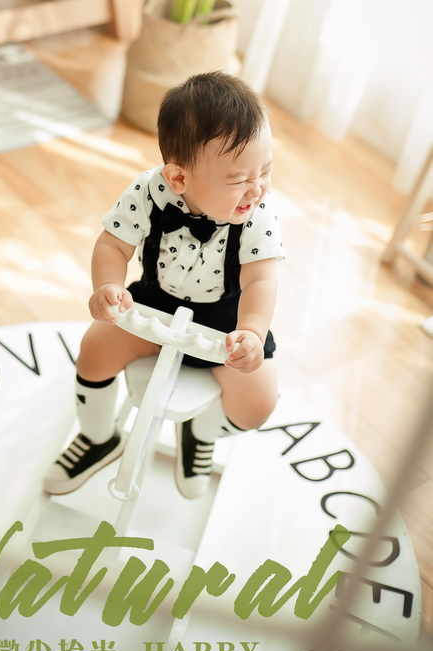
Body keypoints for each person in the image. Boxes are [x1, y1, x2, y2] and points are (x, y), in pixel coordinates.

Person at [43, 71, 284, 499]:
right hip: (153, 307)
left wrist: (252, 331)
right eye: (238, 180)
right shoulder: (149, 192)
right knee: (94, 351)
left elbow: (261, 278)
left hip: (226, 325)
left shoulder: (256, 211)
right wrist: (107, 287)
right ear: (178, 179)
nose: (257, 189)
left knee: (259, 402)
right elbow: (113, 244)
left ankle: (200, 433)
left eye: (265, 171)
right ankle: (99, 438)